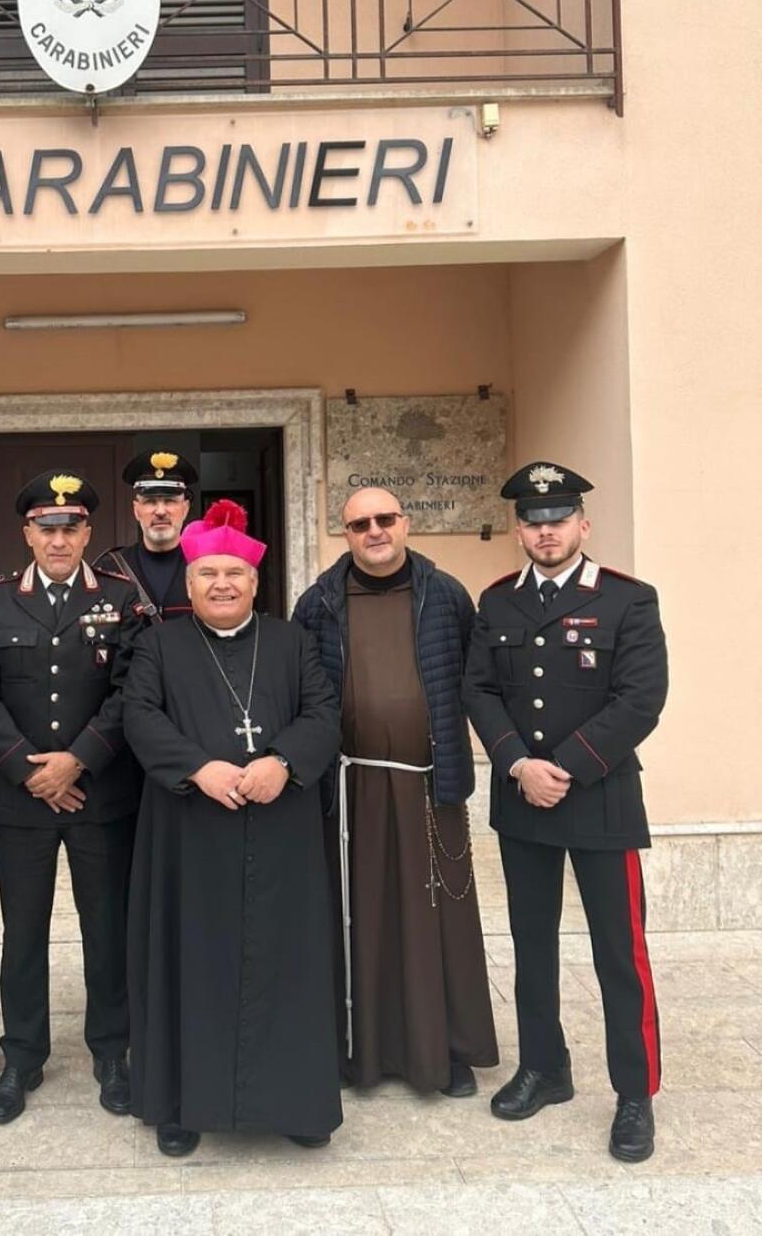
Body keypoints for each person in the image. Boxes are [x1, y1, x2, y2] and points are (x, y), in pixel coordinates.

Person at [124, 499, 342, 1158]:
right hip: (191, 831)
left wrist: (282, 761)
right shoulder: (158, 644)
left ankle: (298, 1098)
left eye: (235, 574)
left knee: (289, 963)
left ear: (255, 581)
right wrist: (197, 767)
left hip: (280, 830)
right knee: (189, 961)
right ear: (188, 584)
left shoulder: (291, 642)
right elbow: (139, 714)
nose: (222, 583)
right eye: (209, 574)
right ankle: (181, 1103)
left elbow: (325, 713)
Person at [463, 463, 668, 1163]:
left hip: (601, 796)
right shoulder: (496, 603)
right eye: (533, 520)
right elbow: (479, 690)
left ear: (583, 524)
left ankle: (634, 1093)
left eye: (558, 518)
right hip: (523, 799)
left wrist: (566, 769)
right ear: (519, 528)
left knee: (620, 950)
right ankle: (544, 1067)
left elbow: (640, 700)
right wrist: (519, 763)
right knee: (531, 943)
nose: (545, 530)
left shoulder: (628, 600)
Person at [292, 488, 498, 1098]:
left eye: (385, 519)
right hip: (349, 790)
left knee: (438, 917)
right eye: (360, 524)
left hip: (427, 787)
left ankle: (446, 1049)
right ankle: (358, 1047)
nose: (374, 531)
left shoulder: (447, 595)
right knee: (358, 914)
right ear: (346, 534)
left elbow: (474, 682)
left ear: (405, 524)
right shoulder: (319, 603)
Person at [0, 471, 145, 1125]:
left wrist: (78, 762)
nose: (59, 538)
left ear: (89, 532)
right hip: (21, 800)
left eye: (71, 527)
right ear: (27, 533)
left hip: (99, 792)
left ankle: (112, 1050)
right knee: (23, 931)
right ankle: (23, 1054)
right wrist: (28, 770)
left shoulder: (121, 598)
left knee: (107, 928)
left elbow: (132, 692)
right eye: (47, 526)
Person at [95, 449, 199, 624]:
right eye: (150, 502)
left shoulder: (206, 565)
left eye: (170, 501)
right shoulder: (110, 569)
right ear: (136, 510)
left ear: (185, 508)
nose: (160, 511)